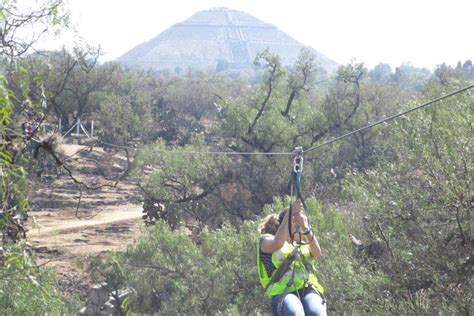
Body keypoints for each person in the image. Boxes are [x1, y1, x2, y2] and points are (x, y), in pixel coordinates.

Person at [257, 200, 326, 316]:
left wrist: (306, 227)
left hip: (307, 288)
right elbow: (277, 243)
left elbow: (317, 252)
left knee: (317, 313)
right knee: (294, 313)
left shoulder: (302, 245)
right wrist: (290, 213)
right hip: (283, 293)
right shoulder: (266, 241)